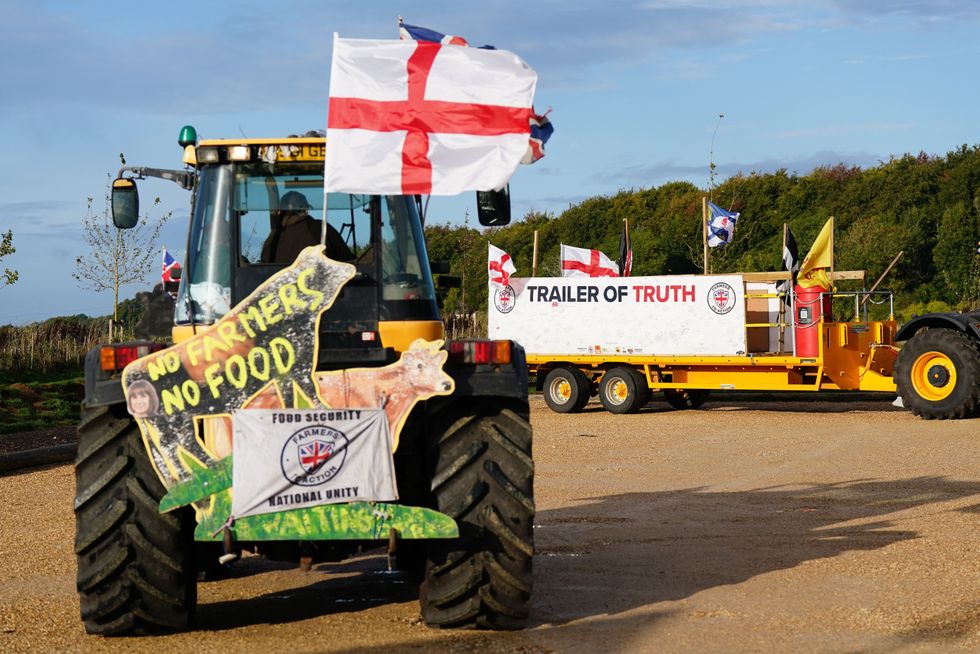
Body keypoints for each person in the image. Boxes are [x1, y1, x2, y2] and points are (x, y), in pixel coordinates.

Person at [261, 191, 353, 264]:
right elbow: (348, 261)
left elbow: (264, 264)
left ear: (282, 211)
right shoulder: (320, 228)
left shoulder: (273, 238)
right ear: (305, 209)